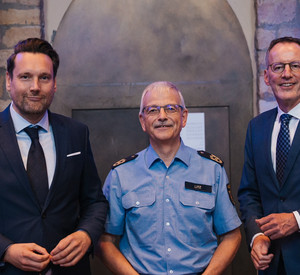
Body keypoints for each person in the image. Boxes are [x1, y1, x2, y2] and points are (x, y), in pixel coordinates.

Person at [98, 81, 242, 275]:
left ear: (183, 117)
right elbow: (105, 242)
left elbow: (232, 236)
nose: (162, 117)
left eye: (171, 109)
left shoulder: (212, 170)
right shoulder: (120, 175)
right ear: (142, 120)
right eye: (153, 110)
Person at [0, 38, 108, 274]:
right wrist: (5, 250)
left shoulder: (76, 133)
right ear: (9, 81)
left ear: (54, 83)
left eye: (44, 77)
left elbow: (95, 202)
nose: (35, 86)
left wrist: (85, 234)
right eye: (25, 77)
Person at [238, 36, 300, 275]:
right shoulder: (257, 128)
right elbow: (249, 194)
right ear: (267, 77)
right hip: (272, 265)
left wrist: (296, 219)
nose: (287, 74)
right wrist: (257, 236)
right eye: (278, 67)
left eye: (295, 65)